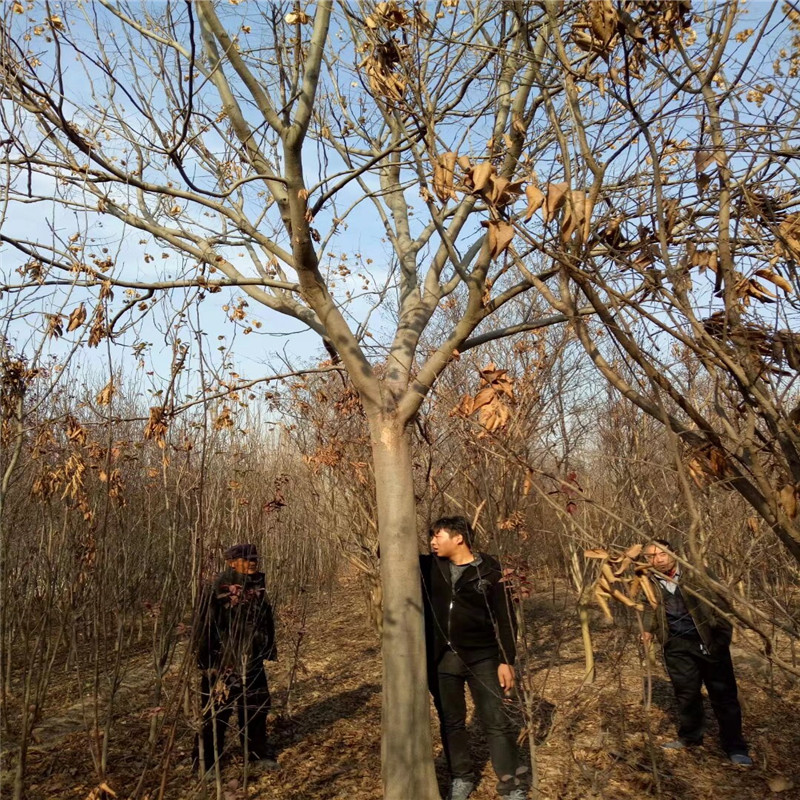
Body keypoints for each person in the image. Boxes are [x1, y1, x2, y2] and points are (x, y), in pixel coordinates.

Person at [419, 515, 527, 800]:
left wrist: (507, 660)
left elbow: (506, 619)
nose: (432, 542)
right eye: (431, 537)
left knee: (496, 721)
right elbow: (390, 552)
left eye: (437, 536)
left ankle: (511, 786)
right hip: (441, 659)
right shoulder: (430, 566)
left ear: (459, 538)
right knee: (451, 722)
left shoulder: (491, 571)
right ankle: (462, 778)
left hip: (484, 657)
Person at [640, 539, 752, 766]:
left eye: (661, 554)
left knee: (723, 696)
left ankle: (735, 746)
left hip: (708, 642)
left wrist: (721, 640)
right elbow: (647, 608)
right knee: (686, 693)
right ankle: (691, 736)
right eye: (650, 556)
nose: (656, 560)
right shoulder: (648, 581)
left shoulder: (697, 574)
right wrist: (647, 629)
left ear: (673, 553)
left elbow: (722, 606)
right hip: (676, 645)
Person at [192, 543, 278, 775]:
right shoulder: (217, 588)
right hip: (222, 662)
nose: (253, 562)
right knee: (215, 712)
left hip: (252, 660)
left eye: (255, 558)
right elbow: (204, 626)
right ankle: (205, 763)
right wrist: (206, 663)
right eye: (246, 559)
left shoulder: (257, 586)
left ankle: (257, 756)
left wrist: (266, 649)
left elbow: (264, 621)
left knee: (256, 707)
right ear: (231, 562)